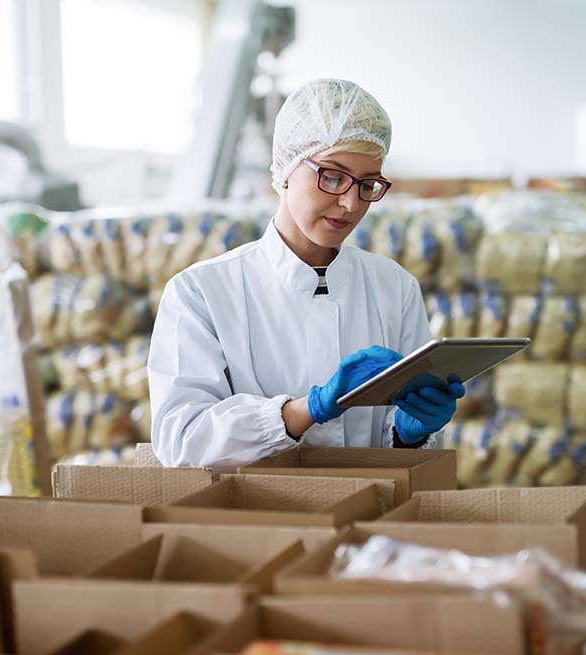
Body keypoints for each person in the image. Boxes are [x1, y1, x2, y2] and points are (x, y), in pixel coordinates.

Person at [148, 79, 464, 469]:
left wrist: (409, 435)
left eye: (368, 184)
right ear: (284, 165)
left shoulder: (394, 288)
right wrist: (305, 411)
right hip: (253, 521)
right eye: (332, 176)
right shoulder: (201, 292)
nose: (350, 203)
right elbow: (180, 441)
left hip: (371, 516)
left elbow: (405, 460)